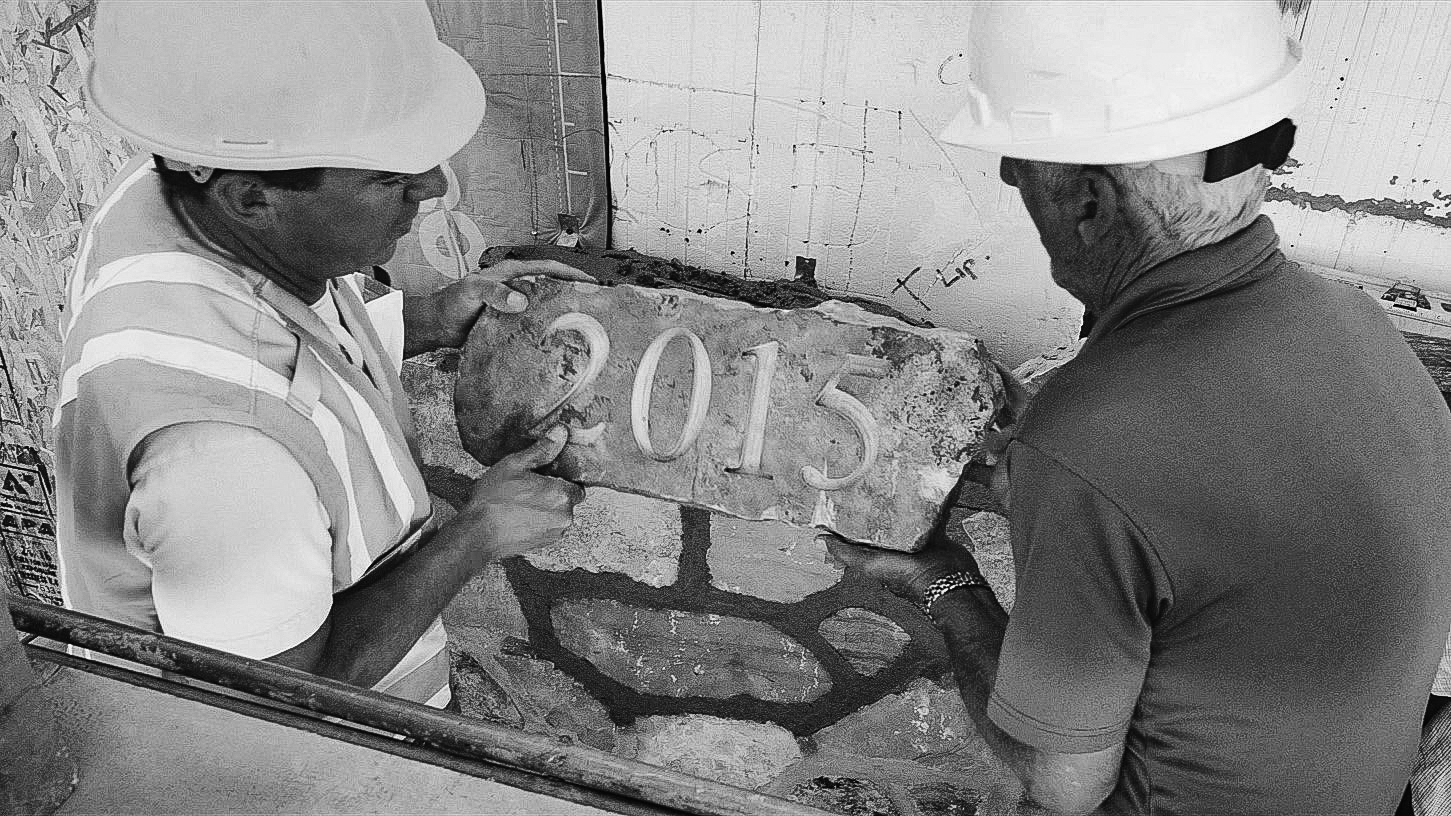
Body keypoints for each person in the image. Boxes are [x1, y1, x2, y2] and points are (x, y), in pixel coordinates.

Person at [829, 2, 1451, 814]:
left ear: (1089, 204)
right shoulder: (1354, 325)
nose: (1009, 178)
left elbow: (1062, 783)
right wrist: (1052, 473)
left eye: (1021, 162)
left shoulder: (1093, 440)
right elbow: (1216, 536)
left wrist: (944, 584)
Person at [55, 0, 588, 708]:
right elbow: (275, 699)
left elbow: (286, 327)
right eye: (388, 177)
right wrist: (478, 532)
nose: (433, 187)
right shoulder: (225, 468)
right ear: (251, 198)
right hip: (301, 757)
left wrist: (431, 318)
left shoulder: (176, 187)